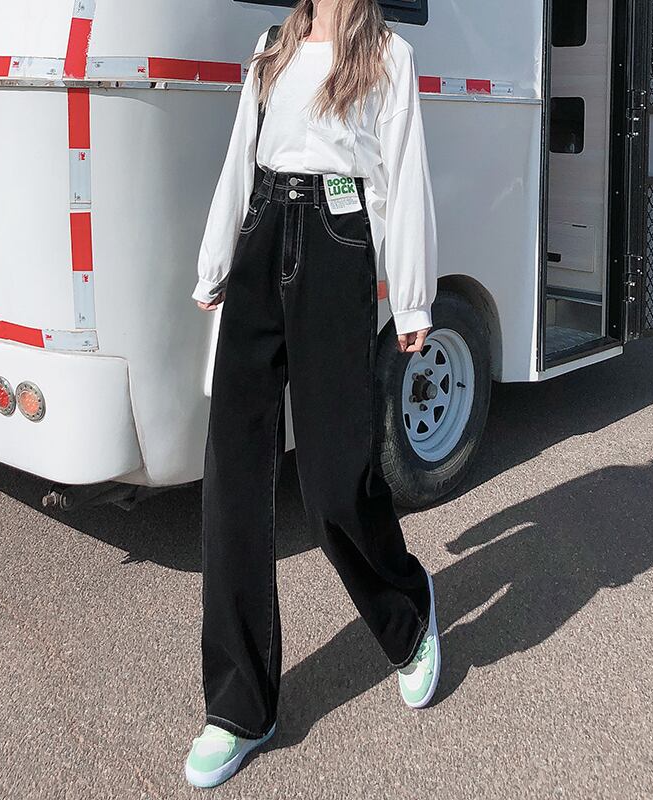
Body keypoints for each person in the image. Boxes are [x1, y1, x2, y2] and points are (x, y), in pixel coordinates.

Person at [186, 0, 440, 788]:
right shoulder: (273, 45)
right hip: (262, 233)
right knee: (233, 480)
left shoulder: (388, 55)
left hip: (336, 240)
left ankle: (408, 615)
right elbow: (241, 156)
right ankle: (238, 709)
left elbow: (404, 175)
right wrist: (216, 261)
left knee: (335, 485)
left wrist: (413, 300)